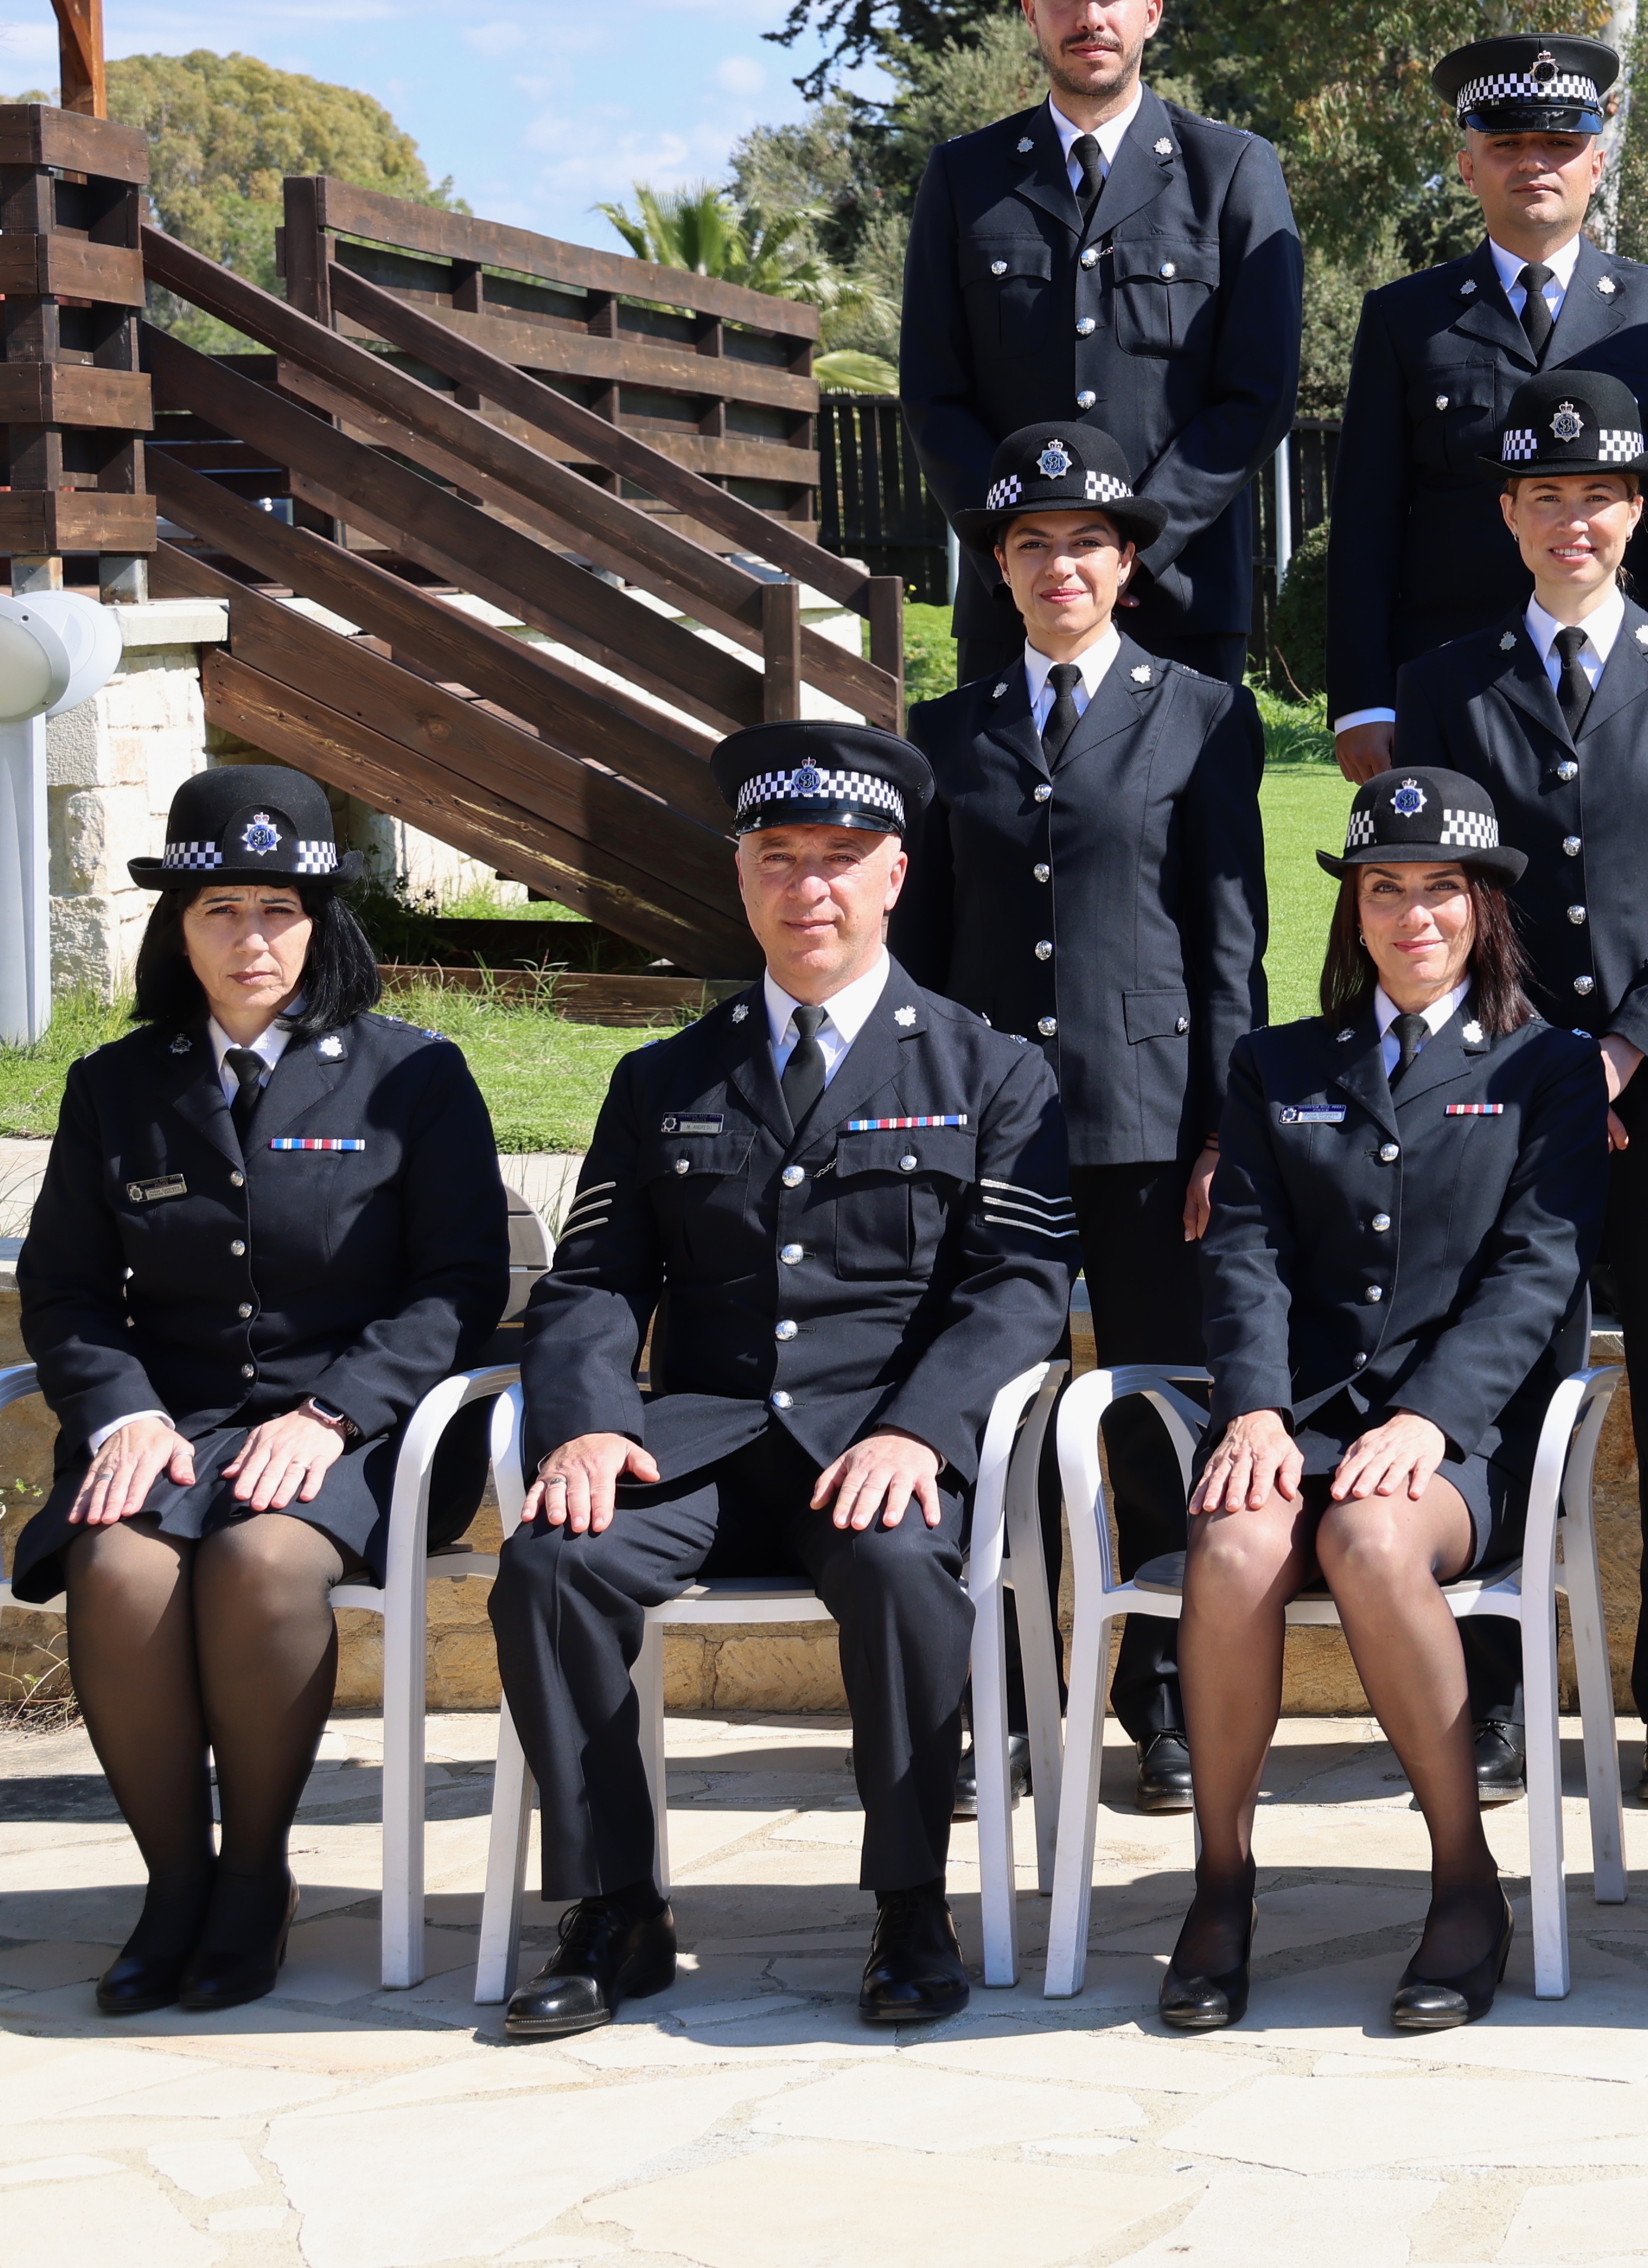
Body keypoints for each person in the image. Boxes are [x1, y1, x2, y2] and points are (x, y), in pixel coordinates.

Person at [488, 723, 1074, 2040]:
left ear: (894, 876)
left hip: (876, 1445)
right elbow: (591, 1282)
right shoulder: (663, 1075)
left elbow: (1020, 1287)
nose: (810, 886)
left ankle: (910, 1906)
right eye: (779, 857)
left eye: (840, 857)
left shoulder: (992, 1069)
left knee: (899, 1567)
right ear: (742, 876)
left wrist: (921, 1428)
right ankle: (613, 1908)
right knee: (553, 1563)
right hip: (696, 1447)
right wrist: (584, 1428)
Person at [17, 770, 502, 2017]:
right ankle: (174, 1883)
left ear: (320, 921)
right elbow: (67, 1287)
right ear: (177, 928)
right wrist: (122, 1412)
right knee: (116, 1566)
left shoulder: (413, 1075)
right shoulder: (118, 1085)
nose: (252, 938)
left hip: (364, 1425)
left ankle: (253, 1879)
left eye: (279, 907)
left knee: (261, 1559)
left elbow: (459, 1284)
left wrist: (332, 1412)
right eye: (219, 908)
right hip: (173, 1423)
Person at [1153, 767, 1599, 2036]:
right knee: (1233, 1548)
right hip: (1296, 1417)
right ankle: (1221, 1880)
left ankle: (1464, 1877)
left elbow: (1537, 1268)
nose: (1414, 915)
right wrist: (1250, 1408)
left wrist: (1431, 1417)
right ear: (1354, 908)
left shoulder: (1549, 1065)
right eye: (1385, 888)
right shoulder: (1276, 1062)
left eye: (1441, 888)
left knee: (1369, 1533)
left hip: (1465, 1437)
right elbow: (1244, 1248)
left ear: (1484, 904)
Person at [1391, 371, 1648, 1806]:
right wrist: (1547, 1063)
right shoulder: (1445, 680)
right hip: (1503, 1103)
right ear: (1507, 511)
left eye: (1598, 495)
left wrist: (1625, 1052)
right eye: (1544, 494)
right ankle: (1493, 1706)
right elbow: (1443, 897)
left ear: (1635, 511)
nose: (1573, 519)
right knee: (1497, 1398)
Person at [898, 425, 1268, 1821]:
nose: (1061, 566)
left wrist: (1227, 1130)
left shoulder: (1203, 714)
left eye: (1087, 543)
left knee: (1161, 1423)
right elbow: (924, 958)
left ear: (1128, 565)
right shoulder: (945, 733)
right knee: (994, 1423)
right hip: (990, 1136)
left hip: (1155, 1129)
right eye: (1032, 544)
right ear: (998, 567)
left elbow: (1227, 940)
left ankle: (1162, 1702)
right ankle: (1002, 1702)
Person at [900, 0, 1304, 685]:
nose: (1089, 15)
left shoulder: (1232, 170)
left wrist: (1138, 545)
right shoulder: (964, 176)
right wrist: (1019, 550)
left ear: (1150, 12)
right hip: (1015, 607)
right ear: (1030, 11)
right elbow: (933, 392)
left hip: (1179, 600)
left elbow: (1258, 392)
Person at [1328, 34, 1648, 780]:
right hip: (1452, 687)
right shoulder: (1404, 318)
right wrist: (1363, 701)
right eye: (1507, 144)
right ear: (1467, 167)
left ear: (1596, 164)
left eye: (1559, 143)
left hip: (1626, 686)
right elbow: (1366, 520)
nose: (1534, 163)